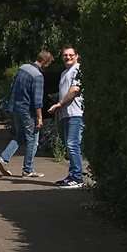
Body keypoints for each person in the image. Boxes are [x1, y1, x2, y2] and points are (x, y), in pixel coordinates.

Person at [0, 50, 53, 180]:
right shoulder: (37, 75)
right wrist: (39, 118)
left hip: (15, 108)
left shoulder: (22, 68)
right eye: (48, 64)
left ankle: (3, 158)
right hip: (27, 111)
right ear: (45, 61)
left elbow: (12, 88)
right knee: (33, 139)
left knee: (19, 136)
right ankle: (28, 170)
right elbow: (37, 100)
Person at [48, 45, 84, 188]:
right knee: (68, 145)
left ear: (77, 56)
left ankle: (77, 178)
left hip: (75, 113)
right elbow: (65, 91)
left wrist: (59, 104)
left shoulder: (78, 69)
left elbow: (75, 90)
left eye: (71, 55)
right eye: (65, 55)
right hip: (65, 114)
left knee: (72, 145)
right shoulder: (64, 73)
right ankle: (72, 175)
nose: (68, 57)